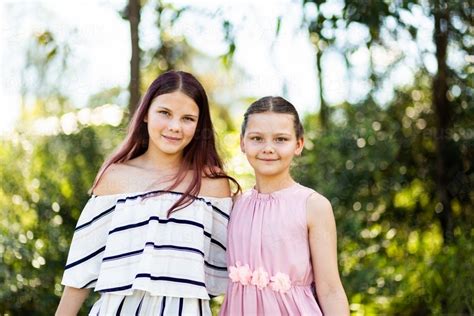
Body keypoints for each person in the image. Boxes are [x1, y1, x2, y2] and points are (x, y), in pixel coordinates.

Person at [56, 70, 239, 315]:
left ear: (198, 125)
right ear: (145, 114)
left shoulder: (213, 185)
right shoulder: (115, 178)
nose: (175, 127)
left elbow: (233, 272)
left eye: (187, 118)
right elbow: (81, 269)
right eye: (164, 113)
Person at [219, 96, 349, 315]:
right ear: (242, 143)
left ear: (298, 144)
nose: (268, 148)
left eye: (280, 139)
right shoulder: (234, 204)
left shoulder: (313, 206)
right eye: (257, 138)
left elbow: (330, 290)